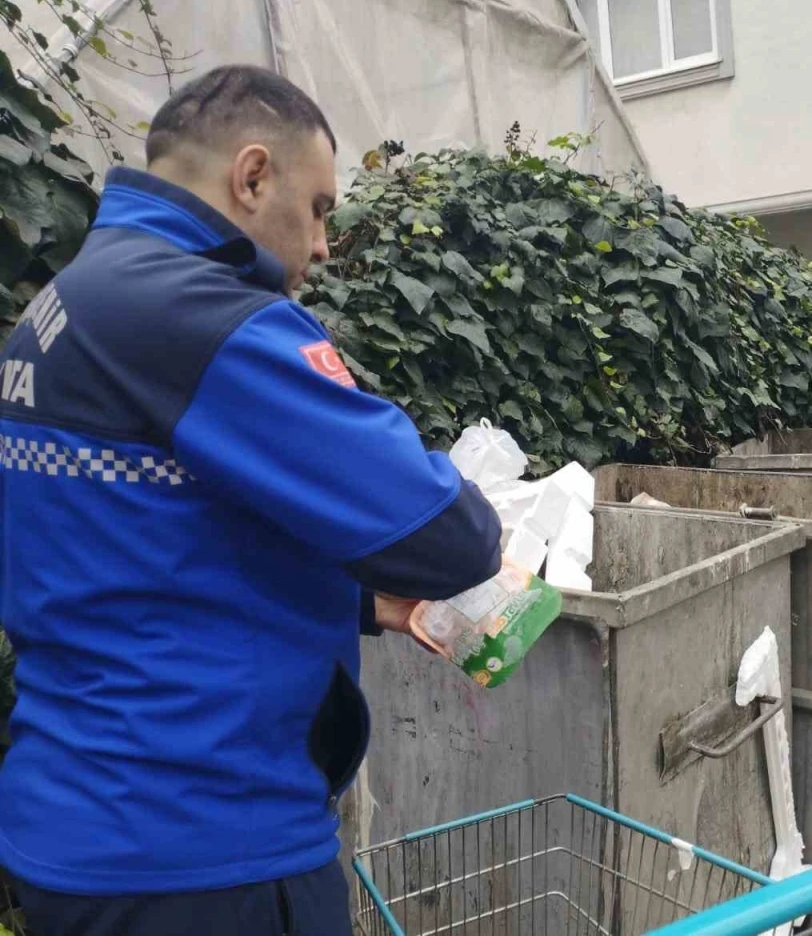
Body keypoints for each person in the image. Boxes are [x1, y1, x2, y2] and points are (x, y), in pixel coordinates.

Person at [0, 65, 502, 935]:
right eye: (317, 210)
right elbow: (448, 536)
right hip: (208, 851)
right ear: (253, 174)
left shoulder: (62, 310)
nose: (321, 247)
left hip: (83, 827)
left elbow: (132, 537)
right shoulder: (205, 317)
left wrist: (358, 599)